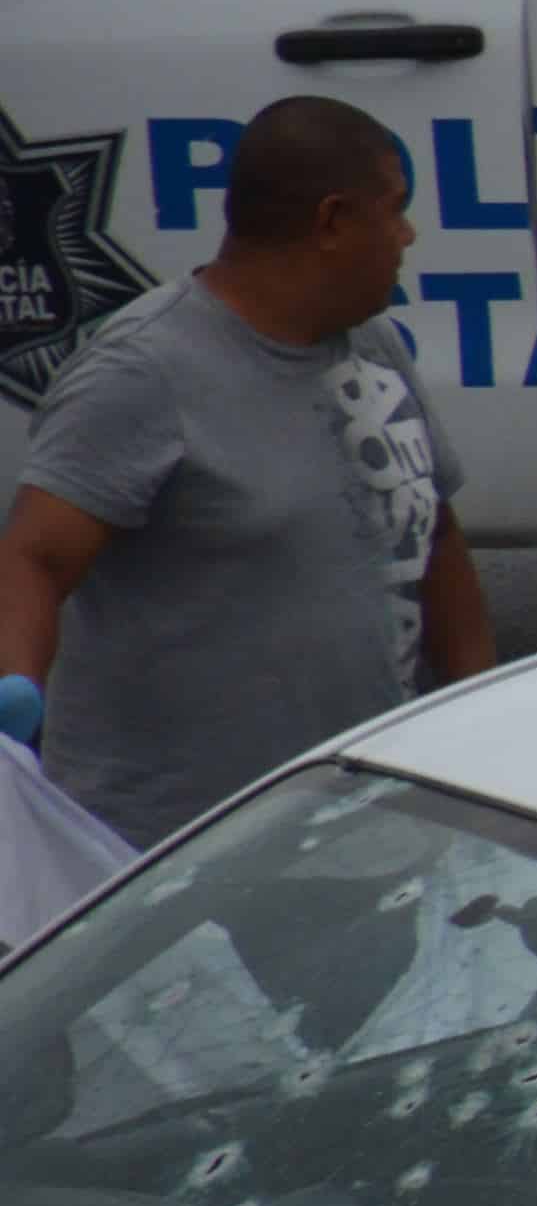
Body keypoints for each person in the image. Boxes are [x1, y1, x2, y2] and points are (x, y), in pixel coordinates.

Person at [0, 97, 489, 850]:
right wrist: (15, 707)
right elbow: (33, 556)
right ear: (332, 222)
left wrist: (479, 712)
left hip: (364, 817)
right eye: (395, 211)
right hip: (185, 854)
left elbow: (437, 535)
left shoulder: (372, 344)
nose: (408, 235)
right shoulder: (144, 371)